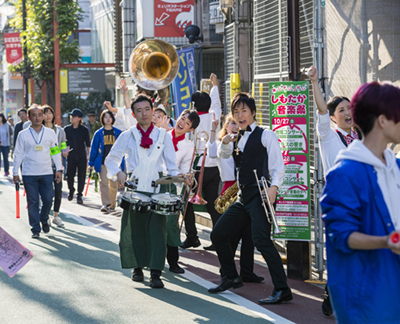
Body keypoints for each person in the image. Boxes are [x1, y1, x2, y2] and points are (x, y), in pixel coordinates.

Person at [320, 81, 400, 323]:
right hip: (368, 297)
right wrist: (387, 241)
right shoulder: (344, 173)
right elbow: (342, 236)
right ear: (383, 120)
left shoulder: (394, 166)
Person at [208, 92, 292, 305]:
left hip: (261, 194)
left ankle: (282, 289)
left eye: (244, 111)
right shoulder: (237, 136)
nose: (240, 115)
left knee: (261, 241)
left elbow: (277, 164)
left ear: (253, 112)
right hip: (243, 195)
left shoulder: (266, 134)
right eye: (236, 112)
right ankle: (230, 276)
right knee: (218, 234)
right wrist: (226, 141)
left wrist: (274, 187)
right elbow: (224, 155)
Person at [105, 94, 180, 289]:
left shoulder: (164, 135)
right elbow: (111, 159)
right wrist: (119, 172)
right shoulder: (127, 135)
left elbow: (172, 167)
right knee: (135, 229)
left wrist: (179, 181)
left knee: (158, 230)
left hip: (158, 187)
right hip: (135, 187)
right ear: (134, 113)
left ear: (153, 111)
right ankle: (137, 267)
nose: (144, 113)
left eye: (147, 109)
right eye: (139, 110)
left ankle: (156, 273)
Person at [307, 65, 361, 316]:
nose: (348, 112)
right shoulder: (328, 135)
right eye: (342, 110)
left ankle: (335, 291)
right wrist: (315, 82)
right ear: (332, 117)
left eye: (350, 108)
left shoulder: (359, 138)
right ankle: (335, 293)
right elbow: (320, 108)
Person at [181, 73, 222, 250]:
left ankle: (192, 236)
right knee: (213, 205)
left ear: (195, 105)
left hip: (196, 167)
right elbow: (217, 104)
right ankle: (218, 239)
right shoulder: (215, 116)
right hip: (213, 167)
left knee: (186, 202)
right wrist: (214, 86)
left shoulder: (191, 119)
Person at [13, 105, 62, 238]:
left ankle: (44, 217)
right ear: (29, 118)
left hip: (46, 172)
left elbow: (55, 152)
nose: (37, 117)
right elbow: (18, 154)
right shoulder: (23, 134)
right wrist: (15, 172)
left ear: (43, 116)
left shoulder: (50, 133)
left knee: (48, 200)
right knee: (33, 202)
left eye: (40, 115)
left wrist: (59, 169)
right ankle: (35, 229)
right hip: (29, 174)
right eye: (34, 115)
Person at [165, 109, 200, 273]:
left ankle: (173, 261)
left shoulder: (188, 146)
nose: (182, 123)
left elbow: (185, 168)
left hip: (173, 186)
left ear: (190, 129)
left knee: (172, 224)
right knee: (153, 223)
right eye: (182, 118)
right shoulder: (161, 133)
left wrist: (186, 178)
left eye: (187, 123)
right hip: (153, 183)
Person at [88, 110, 124, 213]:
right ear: (102, 119)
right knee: (103, 183)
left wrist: (122, 164)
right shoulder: (99, 133)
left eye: (109, 117)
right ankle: (105, 204)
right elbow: (94, 149)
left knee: (113, 184)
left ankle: (112, 204)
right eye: (105, 117)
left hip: (114, 163)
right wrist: (91, 163)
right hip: (102, 162)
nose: (107, 119)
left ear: (113, 119)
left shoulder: (118, 133)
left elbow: (121, 149)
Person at [42, 105, 67, 227]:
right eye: (45, 113)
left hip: (57, 166)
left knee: (58, 191)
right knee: (46, 193)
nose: (48, 115)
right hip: (43, 166)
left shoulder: (60, 131)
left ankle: (55, 216)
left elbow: (63, 145)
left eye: (49, 113)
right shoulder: (39, 130)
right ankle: (46, 216)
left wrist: (65, 152)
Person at [64, 108, 91, 204]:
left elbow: (88, 144)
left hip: (82, 156)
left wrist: (89, 157)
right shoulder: (66, 129)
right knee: (69, 175)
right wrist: (65, 151)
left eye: (74, 116)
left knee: (81, 176)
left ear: (79, 118)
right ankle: (71, 190)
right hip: (70, 156)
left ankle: (79, 195)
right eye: (71, 116)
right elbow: (64, 142)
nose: (72, 118)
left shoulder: (84, 130)